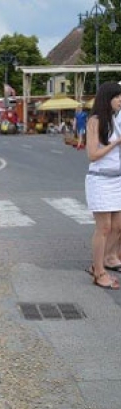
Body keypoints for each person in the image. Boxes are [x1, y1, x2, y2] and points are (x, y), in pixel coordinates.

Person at [84, 81, 121, 289]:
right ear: (107, 99)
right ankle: (99, 272)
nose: (120, 101)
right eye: (117, 97)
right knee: (104, 227)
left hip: (117, 179)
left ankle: (104, 260)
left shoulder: (115, 121)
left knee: (117, 226)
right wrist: (115, 143)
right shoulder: (95, 121)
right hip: (100, 180)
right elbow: (92, 155)